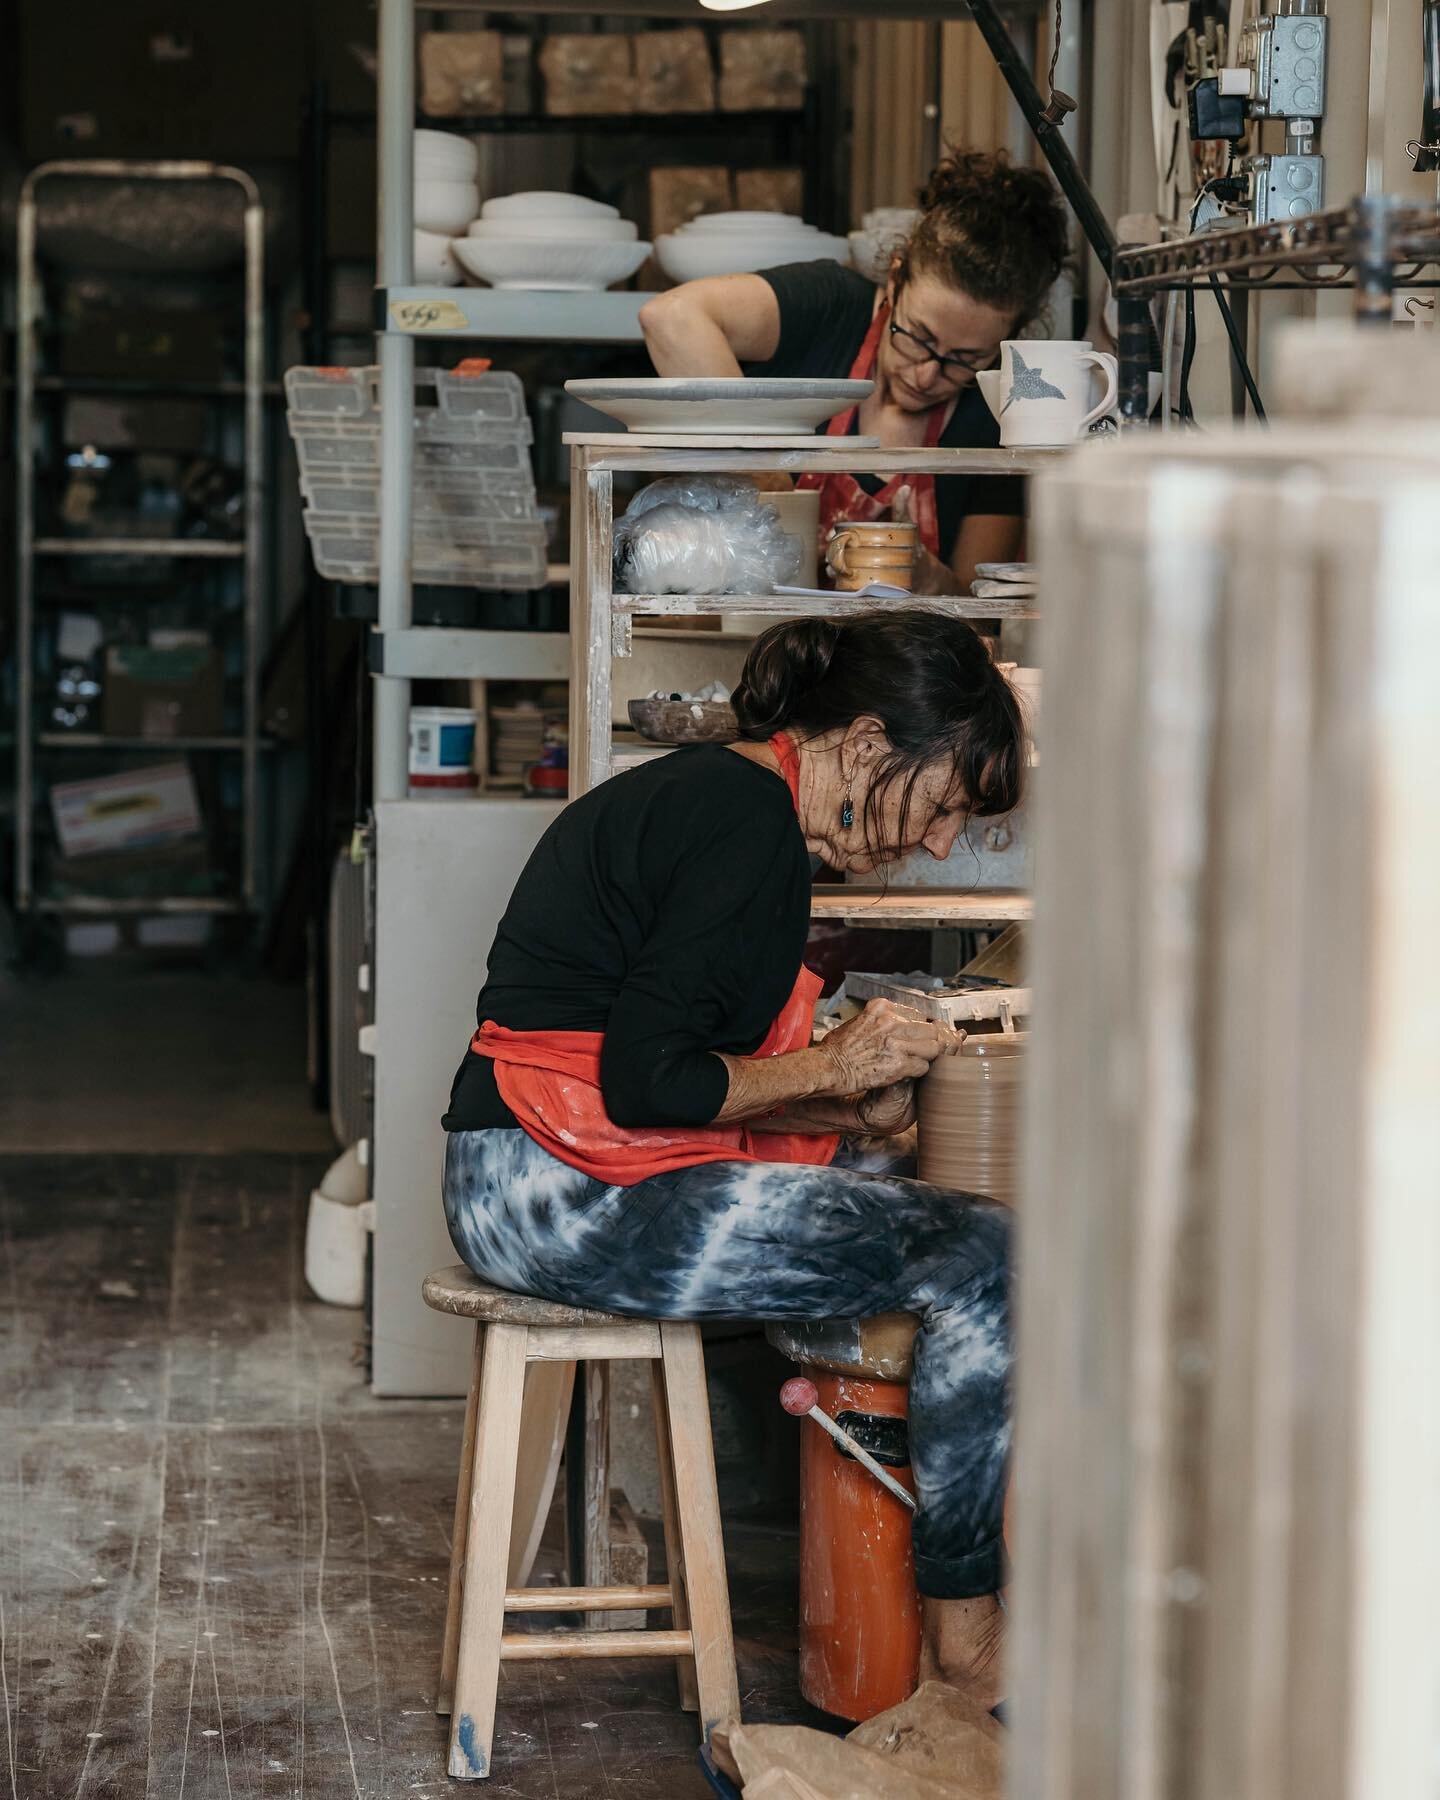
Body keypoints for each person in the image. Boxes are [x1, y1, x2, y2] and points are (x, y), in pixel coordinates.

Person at [441, 609, 1025, 1704]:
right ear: (863, 745)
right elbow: (651, 1083)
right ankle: (965, 1627)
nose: (940, 840)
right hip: (552, 1193)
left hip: (529, 1170)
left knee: (913, 1194)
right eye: (942, 800)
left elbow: (676, 1072)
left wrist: (852, 1114)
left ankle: (889, 1519)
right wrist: (839, 1064)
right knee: (989, 1256)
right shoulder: (741, 826)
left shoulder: (716, 799)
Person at [639, 150, 1070, 596]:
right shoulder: (830, 309)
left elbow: (980, 607)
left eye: (965, 359)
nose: (925, 375)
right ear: (894, 279)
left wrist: (928, 578)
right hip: (755, 640)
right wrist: (765, 472)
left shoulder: (998, 412)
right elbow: (671, 317)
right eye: (918, 336)